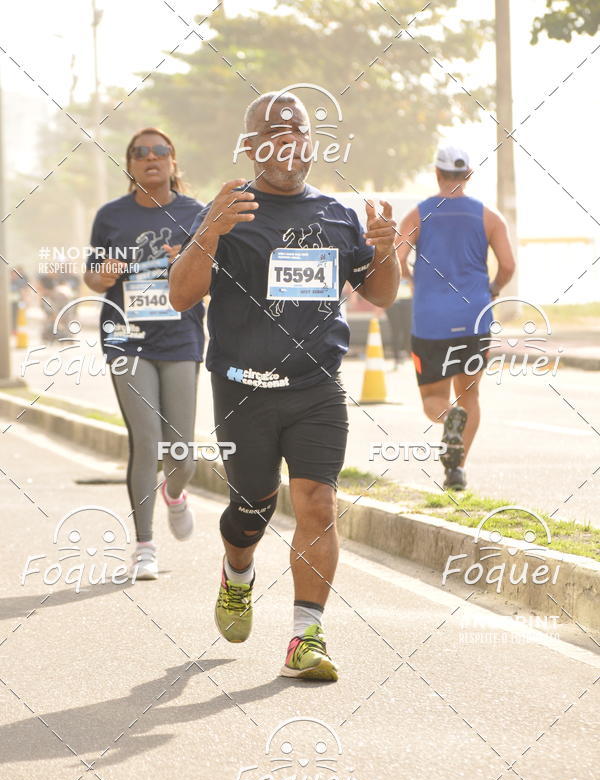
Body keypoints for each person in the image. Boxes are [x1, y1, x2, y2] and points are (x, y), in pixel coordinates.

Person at [170, 91, 399, 681]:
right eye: (272, 132)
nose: (286, 140)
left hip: (316, 387)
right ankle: (237, 572)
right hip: (244, 387)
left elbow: (380, 293)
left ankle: (306, 637)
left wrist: (386, 250)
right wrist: (209, 233)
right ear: (250, 146)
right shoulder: (229, 210)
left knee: (318, 503)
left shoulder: (336, 215)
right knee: (252, 507)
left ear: (310, 143)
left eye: (296, 130)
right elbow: (181, 295)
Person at [84, 128, 205, 579]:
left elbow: (214, 277)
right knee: (147, 440)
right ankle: (145, 546)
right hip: (126, 337)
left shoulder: (196, 214)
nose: (150, 158)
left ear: (173, 161)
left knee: (182, 454)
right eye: (140, 153)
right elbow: (93, 277)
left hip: (180, 338)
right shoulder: (111, 216)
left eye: (159, 151)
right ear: (130, 165)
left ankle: (175, 493)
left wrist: (186, 263)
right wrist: (103, 275)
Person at [397, 144, 516, 491]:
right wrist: (493, 289)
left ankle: (449, 418)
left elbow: (397, 258)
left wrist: (413, 280)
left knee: (433, 400)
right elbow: (508, 265)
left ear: (437, 173)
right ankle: (457, 471)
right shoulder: (489, 216)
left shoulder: (418, 215)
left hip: (431, 322)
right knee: (470, 395)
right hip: (474, 318)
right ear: (468, 175)